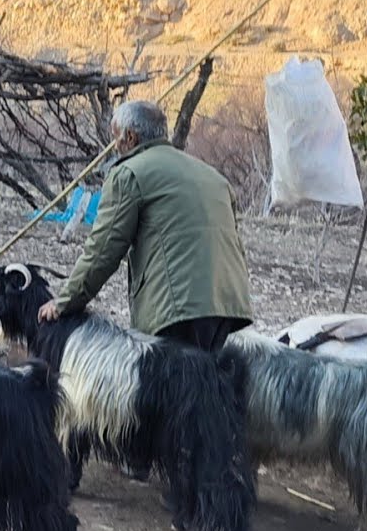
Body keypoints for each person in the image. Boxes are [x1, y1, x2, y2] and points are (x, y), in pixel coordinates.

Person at [38, 100, 255, 476]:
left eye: (115, 138)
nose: (114, 145)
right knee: (195, 391)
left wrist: (67, 300)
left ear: (130, 137)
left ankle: (157, 470)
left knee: (156, 390)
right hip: (227, 300)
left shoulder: (130, 174)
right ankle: (199, 471)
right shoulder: (211, 175)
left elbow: (104, 248)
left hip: (176, 304)